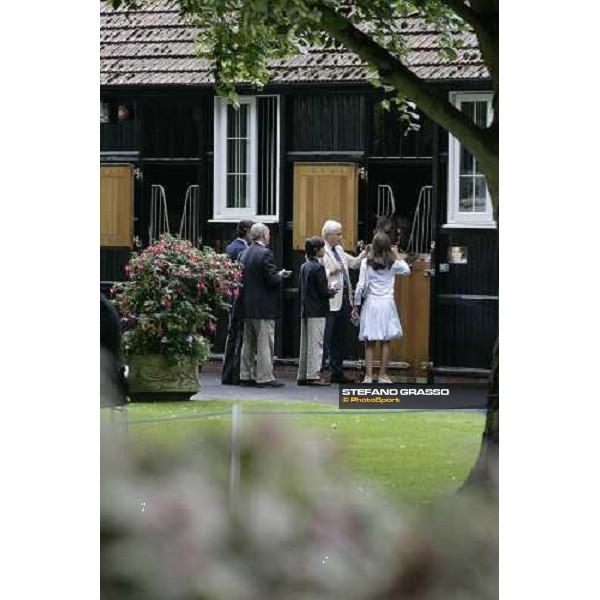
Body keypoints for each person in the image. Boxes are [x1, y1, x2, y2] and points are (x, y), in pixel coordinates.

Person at [353, 232, 411, 384]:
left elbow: (360, 286)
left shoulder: (366, 262)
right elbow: (407, 270)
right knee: (386, 341)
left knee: (369, 341)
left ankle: (368, 376)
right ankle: (383, 375)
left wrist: (356, 305)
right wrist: (397, 254)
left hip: (371, 302)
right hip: (386, 303)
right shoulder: (393, 262)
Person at [239, 223, 291, 388]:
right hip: (264, 308)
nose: (269, 237)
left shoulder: (244, 253)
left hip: (246, 306)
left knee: (248, 343)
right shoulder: (266, 254)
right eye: (268, 234)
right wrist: (281, 275)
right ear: (264, 235)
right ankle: (264, 377)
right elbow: (272, 280)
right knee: (264, 344)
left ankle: (245, 375)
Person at [321, 220, 369, 384]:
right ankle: (318, 372)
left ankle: (337, 371)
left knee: (340, 338)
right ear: (328, 236)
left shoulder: (340, 250)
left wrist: (364, 254)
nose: (341, 238)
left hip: (344, 300)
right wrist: (330, 271)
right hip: (330, 300)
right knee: (326, 336)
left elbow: (354, 263)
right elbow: (315, 272)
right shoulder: (322, 251)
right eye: (338, 234)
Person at [297, 236, 338, 386]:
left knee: (305, 345)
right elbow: (323, 291)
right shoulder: (318, 267)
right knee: (316, 345)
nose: (324, 251)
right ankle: (313, 376)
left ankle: (302, 374)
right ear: (317, 250)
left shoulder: (304, 266)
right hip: (318, 311)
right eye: (322, 248)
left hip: (305, 309)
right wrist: (332, 291)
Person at [221, 219, 254, 385]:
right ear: (247, 231)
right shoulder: (241, 249)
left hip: (232, 297)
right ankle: (234, 375)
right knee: (237, 336)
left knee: (233, 336)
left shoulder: (231, 247)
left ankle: (229, 374)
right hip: (238, 299)